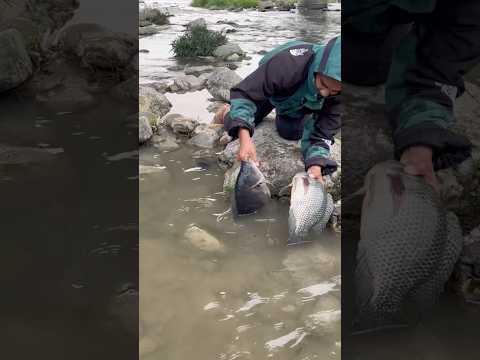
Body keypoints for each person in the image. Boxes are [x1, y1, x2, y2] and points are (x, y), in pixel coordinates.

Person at [343, 0, 480, 190]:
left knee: (366, 69)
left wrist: (420, 138)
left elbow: (439, 68)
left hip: (375, 25)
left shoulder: (469, 11)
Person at [214, 36, 341, 183]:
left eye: (334, 91)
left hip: (298, 101)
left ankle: (284, 111)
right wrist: (244, 136)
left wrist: (316, 164)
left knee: (291, 132)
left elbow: (323, 132)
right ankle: (225, 112)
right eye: (323, 84)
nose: (325, 93)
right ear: (318, 69)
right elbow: (246, 94)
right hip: (270, 90)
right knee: (240, 124)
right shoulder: (288, 63)